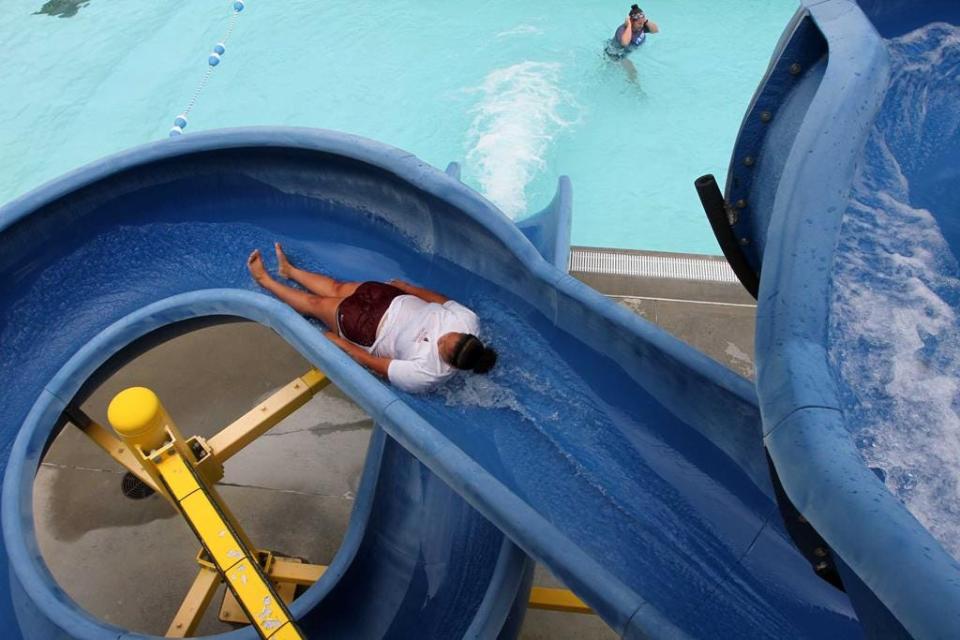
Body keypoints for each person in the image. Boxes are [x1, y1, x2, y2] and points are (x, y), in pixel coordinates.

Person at [247, 243, 497, 393]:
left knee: (318, 304)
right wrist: (408, 288)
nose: (440, 338)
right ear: (466, 334)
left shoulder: (425, 374)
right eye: (449, 335)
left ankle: (265, 280)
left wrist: (340, 343)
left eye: (441, 345)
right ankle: (289, 270)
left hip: (368, 330)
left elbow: (373, 363)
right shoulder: (468, 320)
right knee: (335, 287)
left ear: (450, 363)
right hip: (391, 299)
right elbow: (439, 300)